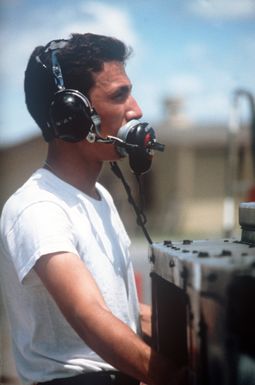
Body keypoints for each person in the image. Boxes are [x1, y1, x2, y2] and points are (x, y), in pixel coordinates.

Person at [0, 33, 188, 385]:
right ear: (72, 116)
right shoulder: (38, 207)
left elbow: (121, 313)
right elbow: (89, 314)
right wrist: (176, 377)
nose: (137, 109)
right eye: (120, 95)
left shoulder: (98, 195)